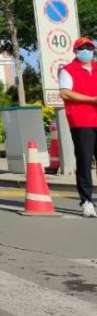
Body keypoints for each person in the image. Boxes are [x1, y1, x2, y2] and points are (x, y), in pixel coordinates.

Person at [58, 36, 97, 218]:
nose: (87, 51)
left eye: (90, 48)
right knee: (84, 161)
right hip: (82, 121)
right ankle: (87, 201)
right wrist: (92, 100)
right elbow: (65, 93)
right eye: (83, 48)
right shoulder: (68, 70)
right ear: (75, 51)